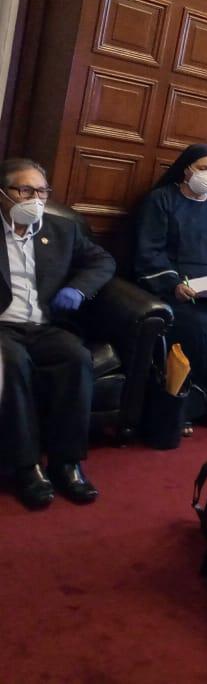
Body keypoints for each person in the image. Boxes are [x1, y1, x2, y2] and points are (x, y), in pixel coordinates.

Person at [0, 158, 115, 508]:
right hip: (3, 328)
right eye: (25, 190)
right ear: (3, 194)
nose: (35, 198)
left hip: (45, 325)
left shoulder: (62, 230)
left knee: (76, 358)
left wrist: (78, 290)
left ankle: (67, 463)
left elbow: (103, 261)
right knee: (13, 364)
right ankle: (27, 466)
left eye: (41, 191)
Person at [134, 144, 207, 419]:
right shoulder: (161, 200)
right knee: (200, 326)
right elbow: (150, 251)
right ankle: (184, 409)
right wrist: (173, 283)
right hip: (177, 283)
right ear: (186, 170)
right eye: (203, 168)